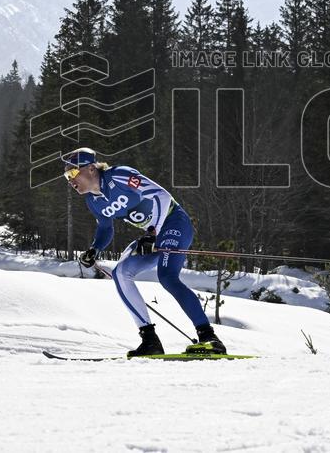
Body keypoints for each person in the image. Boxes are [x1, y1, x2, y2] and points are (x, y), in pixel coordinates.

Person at [63, 147, 226, 357]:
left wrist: (152, 232)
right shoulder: (93, 201)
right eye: (67, 175)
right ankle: (150, 340)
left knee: (167, 276)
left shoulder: (119, 175)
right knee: (121, 273)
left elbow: (162, 196)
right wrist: (95, 249)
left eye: (73, 173)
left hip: (173, 221)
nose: (70, 180)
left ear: (92, 169)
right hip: (152, 234)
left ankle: (209, 338)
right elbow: (105, 228)